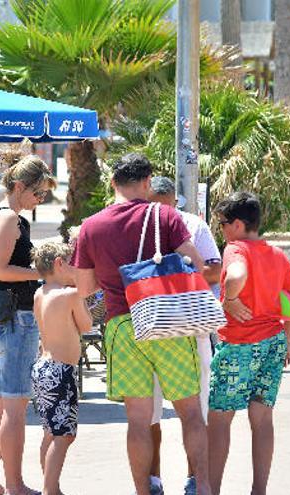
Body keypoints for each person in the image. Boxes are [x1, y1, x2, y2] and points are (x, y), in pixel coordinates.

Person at [73, 153, 211, 495]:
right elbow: (195, 263)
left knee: (138, 419)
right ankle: (204, 487)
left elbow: (85, 288)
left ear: (112, 183)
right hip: (168, 324)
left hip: (123, 326)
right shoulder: (163, 215)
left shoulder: (91, 226)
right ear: (147, 182)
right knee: (190, 412)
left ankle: (143, 490)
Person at [207, 192, 290, 495]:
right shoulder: (275, 254)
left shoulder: (235, 249)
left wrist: (230, 297)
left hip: (238, 344)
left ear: (237, 224)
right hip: (272, 342)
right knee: (262, 419)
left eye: (222, 224)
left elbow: (237, 274)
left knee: (220, 420)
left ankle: (213, 489)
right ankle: (258, 490)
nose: (221, 230)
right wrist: (287, 340)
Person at [0, 150, 55, 495]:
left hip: (3, 318)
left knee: (0, 403)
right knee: (14, 405)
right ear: (20, 186)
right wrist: (39, 273)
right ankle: (13, 484)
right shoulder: (10, 219)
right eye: (38, 193)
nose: (40, 200)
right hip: (14, 318)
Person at [147, 176, 222, 495]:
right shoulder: (141, 225)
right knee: (149, 414)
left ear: (174, 203)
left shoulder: (193, 225)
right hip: (151, 329)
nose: (163, 214)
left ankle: (194, 479)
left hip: (191, 330)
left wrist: (172, 276)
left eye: (167, 207)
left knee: (194, 411)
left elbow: (216, 270)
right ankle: (153, 481)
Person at [30, 241, 92, 495]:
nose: (77, 269)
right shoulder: (69, 295)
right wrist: (82, 294)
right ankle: (51, 489)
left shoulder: (39, 293)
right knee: (63, 435)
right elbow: (86, 325)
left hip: (42, 368)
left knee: (50, 432)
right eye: (73, 264)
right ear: (59, 264)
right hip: (60, 371)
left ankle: (50, 485)